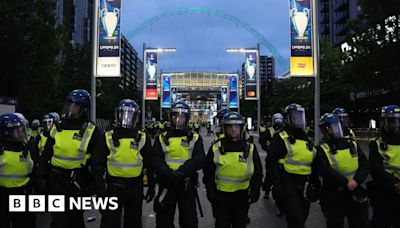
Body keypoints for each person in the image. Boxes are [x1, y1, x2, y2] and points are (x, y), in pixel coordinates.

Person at [36, 89, 101, 228]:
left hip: (77, 183)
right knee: (58, 221)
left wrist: (97, 184)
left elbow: (98, 161)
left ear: (83, 109)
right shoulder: (57, 127)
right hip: (56, 180)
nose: (70, 109)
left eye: (75, 106)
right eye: (69, 105)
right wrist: (41, 176)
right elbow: (46, 154)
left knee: (76, 221)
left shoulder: (91, 130)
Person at [92, 99, 155, 228]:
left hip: (135, 188)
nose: (126, 118)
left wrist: (152, 185)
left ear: (136, 118)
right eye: (123, 114)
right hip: (112, 188)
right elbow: (97, 164)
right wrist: (100, 187)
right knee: (110, 222)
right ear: (117, 116)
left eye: (130, 115)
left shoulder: (142, 137)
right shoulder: (107, 136)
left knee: (133, 222)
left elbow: (149, 164)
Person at [203, 111, 262, 228]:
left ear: (241, 128)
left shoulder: (249, 148)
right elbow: (208, 172)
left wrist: (256, 190)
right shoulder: (216, 147)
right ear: (225, 129)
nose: (234, 130)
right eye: (230, 127)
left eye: (236, 126)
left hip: (242, 195)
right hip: (221, 196)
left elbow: (258, 172)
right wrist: (210, 192)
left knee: (240, 224)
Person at [152, 101, 206, 228]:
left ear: (186, 119)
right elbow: (156, 159)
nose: (178, 119)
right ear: (171, 118)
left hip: (186, 185)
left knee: (189, 221)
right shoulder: (161, 138)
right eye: (175, 116)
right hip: (167, 184)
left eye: (182, 116)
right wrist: (169, 173)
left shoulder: (195, 137)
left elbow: (199, 159)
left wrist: (182, 172)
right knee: (163, 222)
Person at [267, 103, 319, 228]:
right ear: (287, 119)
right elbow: (271, 161)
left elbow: (314, 162)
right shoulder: (281, 137)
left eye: (301, 116)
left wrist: (315, 183)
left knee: (303, 213)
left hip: (303, 183)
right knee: (295, 218)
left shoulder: (307, 138)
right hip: (287, 182)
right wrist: (276, 183)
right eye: (295, 117)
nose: (299, 120)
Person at [317, 113, 369, 228]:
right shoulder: (322, 149)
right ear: (325, 130)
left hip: (354, 190)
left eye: (337, 126)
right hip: (334, 193)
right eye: (331, 127)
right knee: (335, 223)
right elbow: (326, 171)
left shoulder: (352, 144)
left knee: (360, 222)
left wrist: (356, 181)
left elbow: (364, 165)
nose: (335, 129)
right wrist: (346, 182)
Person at [0, 113, 35, 228]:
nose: (21, 133)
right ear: (6, 133)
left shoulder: (24, 148)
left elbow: (31, 168)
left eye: (21, 130)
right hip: (3, 195)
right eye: (17, 130)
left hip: (22, 193)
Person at [369, 105, 400, 228]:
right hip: (385, 192)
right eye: (393, 121)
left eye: (399, 121)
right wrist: (395, 184)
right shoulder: (377, 143)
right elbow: (376, 169)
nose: (397, 125)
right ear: (384, 123)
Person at [262, 113, 284, 202]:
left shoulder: (284, 131)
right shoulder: (270, 131)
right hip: (271, 157)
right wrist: (268, 149)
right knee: (270, 175)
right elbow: (263, 141)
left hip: (281, 158)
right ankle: (267, 191)